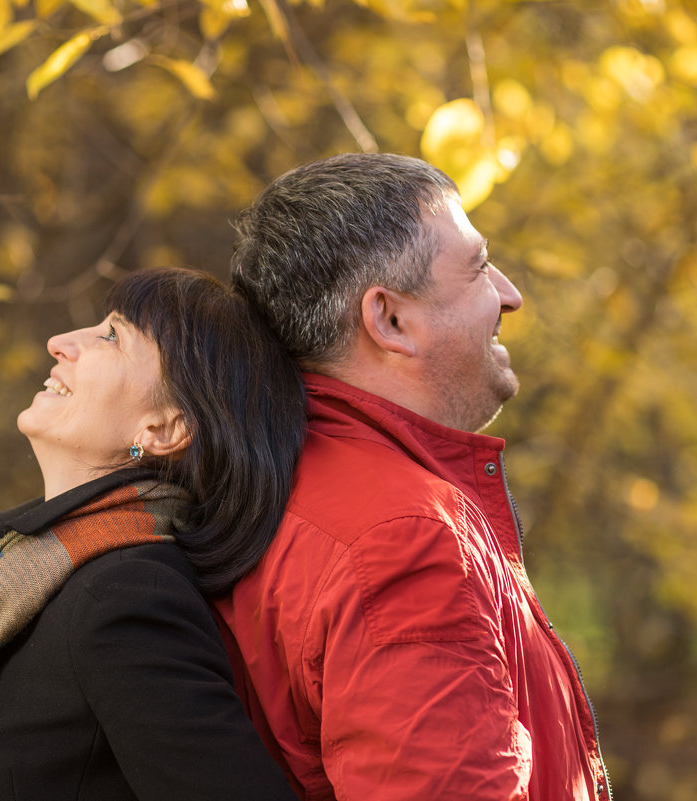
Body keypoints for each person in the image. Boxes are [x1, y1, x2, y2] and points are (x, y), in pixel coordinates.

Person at [214, 153, 611, 801]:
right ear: (390, 320)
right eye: (480, 268)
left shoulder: (291, 482)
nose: (511, 294)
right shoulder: (402, 537)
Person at [0, 266, 305, 801]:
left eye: (112, 336)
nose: (59, 343)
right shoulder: (26, 574)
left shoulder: (127, 597)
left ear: (164, 428)